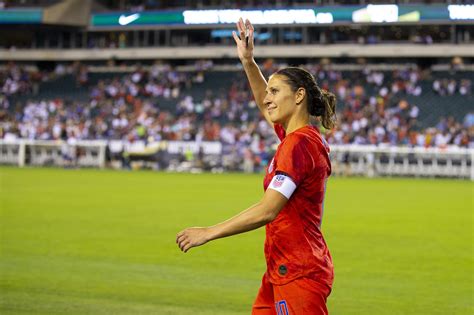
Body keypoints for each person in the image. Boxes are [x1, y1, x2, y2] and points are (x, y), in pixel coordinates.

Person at [176, 18, 337, 315]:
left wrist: (209, 232)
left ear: (299, 95)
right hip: (281, 269)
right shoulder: (299, 138)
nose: (267, 98)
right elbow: (265, 107)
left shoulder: (299, 145)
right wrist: (249, 62)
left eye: (275, 92)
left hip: (299, 273)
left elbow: (268, 210)